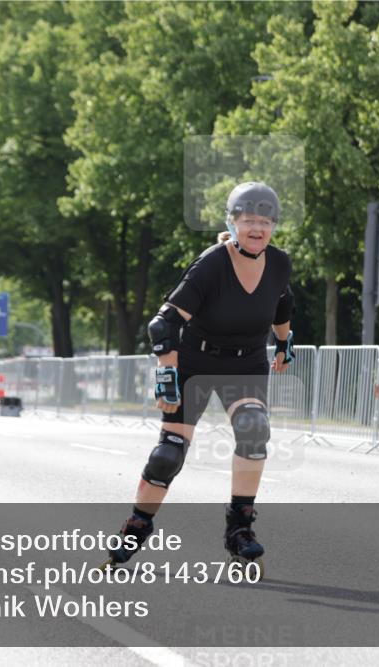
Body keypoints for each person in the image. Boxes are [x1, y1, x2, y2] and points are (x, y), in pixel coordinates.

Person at [104, 181, 296, 569]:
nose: (257, 229)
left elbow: (282, 301)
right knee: (168, 454)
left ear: (274, 226)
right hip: (195, 360)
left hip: (245, 363)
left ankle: (239, 529)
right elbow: (164, 324)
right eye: (248, 221)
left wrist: (283, 343)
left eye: (265, 222)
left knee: (254, 428)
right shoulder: (212, 263)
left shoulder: (278, 262)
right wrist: (167, 376)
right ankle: (137, 526)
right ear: (233, 221)